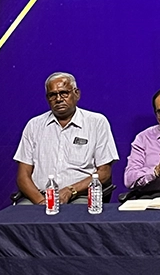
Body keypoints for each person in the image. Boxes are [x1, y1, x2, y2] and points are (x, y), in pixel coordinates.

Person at [14, 72, 119, 204]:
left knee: (75, 214)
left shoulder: (97, 122)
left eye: (64, 93)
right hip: (40, 197)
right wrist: (41, 202)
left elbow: (104, 173)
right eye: (52, 95)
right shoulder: (34, 125)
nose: (58, 99)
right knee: (19, 215)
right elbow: (23, 176)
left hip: (80, 196)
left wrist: (71, 190)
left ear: (77, 94)